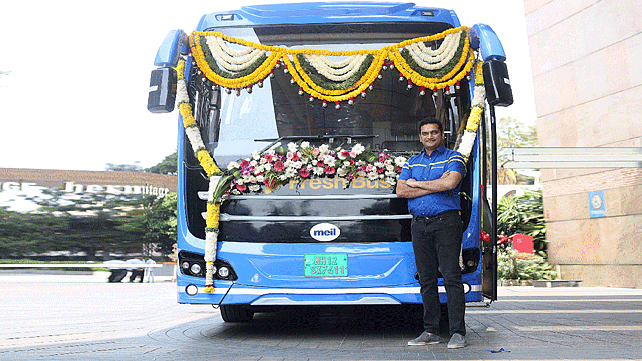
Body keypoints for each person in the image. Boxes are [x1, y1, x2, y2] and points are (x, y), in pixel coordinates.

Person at [395, 117, 467, 349]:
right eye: (425, 134)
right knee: (426, 279)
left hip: (446, 223)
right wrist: (434, 183)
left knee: (451, 277)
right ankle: (431, 331)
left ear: (442, 135)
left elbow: (450, 184)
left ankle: (458, 333)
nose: (429, 137)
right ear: (420, 137)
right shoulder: (412, 161)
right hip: (419, 225)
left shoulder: (454, 158)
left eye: (433, 133)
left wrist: (416, 184)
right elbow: (400, 190)